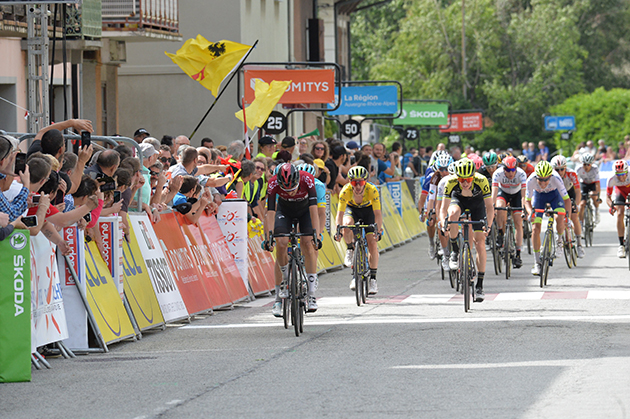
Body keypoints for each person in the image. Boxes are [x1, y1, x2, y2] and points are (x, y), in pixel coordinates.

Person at [262, 163, 322, 315]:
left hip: (305, 211)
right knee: (281, 242)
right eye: (286, 190)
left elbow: (314, 211)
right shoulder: (273, 183)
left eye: (293, 189)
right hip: (285, 211)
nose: (290, 193)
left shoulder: (307, 180)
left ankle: (311, 294)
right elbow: (269, 213)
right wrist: (268, 237)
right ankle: (284, 279)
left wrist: (316, 234)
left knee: (308, 243)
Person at [441, 158, 493, 302]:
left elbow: (490, 207)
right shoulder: (450, 182)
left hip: (478, 206)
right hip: (458, 202)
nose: (465, 183)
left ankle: (480, 285)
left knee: (480, 242)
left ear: (474, 176)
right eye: (461, 179)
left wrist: (488, 225)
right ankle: (455, 251)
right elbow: (443, 208)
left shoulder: (482, 181)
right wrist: (442, 223)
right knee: (452, 215)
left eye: (468, 179)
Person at [334, 166, 383, 294]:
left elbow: (377, 214)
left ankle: (373, 279)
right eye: (354, 183)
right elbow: (339, 214)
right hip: (352, 210)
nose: (358, 186)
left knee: (372, 242)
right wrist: (338, 230)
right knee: (347, 225)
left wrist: (378, 229)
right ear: (350, 182)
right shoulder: (345, 191)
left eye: (360, 182)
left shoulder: (372, 190)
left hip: (368, 212)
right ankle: (350, 249)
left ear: (365, 182)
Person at [524, 161, 572, 275]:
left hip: (555, 197)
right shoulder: (530, 180)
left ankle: (559, 241)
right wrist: (531, 213)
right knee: (535, 228)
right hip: (539, 197)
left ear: (550, 176)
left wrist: (568, 217)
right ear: (536, 177)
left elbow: (567, 200)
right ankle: (537, 262)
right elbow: (527, 201)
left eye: (546, 179)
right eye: (540, 179)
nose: (543, 182)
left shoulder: (556, 178)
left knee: (559, 217)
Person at [491, 156, 528, 267]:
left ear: (516, 168)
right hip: (504, 193)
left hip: (517, 195)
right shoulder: (497, 174)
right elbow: (494, 192)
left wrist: (524, 208)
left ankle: (518, 254)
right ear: (503, 169)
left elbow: (523, 195)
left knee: (518, 222)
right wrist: (492, 208)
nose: (511, 173)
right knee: (499, 207)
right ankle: (500, 233)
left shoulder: (521, 174)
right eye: (508, 170)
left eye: (513, 170)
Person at [550, 155, 585, 258]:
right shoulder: (551, 175)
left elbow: (578, 191)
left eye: (562, 169)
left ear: (566, 167)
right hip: (557, 195)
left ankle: (579, 244)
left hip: (570, 193)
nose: (560, 172)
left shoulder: (571, 173)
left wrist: (577, 205)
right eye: (557, 169)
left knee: (574, 217)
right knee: (559, 218)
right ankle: (560, 241)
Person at [606, 160, 630, 258]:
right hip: (621, 192)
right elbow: (608, 197)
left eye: (623, 174)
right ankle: (621, 245)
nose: (620, 177)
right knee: (620, 213)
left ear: (627, 171)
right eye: (618, 174)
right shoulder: (612, 179)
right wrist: (611, 205)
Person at [576, 152, 601, 225]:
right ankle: (580, 223)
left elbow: (597, 183)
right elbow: (576, 183)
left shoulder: (595, 169)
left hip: (592, 184)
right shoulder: (579, 169)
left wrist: (597, 195)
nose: (586, 167)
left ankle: (596, 211)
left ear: (591, 164)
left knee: (594, 196)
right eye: (584, 164)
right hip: (584, 184)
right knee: (582, 204)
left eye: (588, 165)